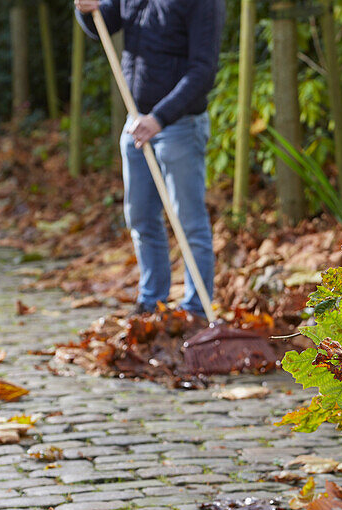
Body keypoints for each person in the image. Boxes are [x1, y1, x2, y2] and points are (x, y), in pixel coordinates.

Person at [74, 0, 225, 320]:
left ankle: (196, 311)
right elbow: (102, 25)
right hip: (136, 123)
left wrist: (159, 118)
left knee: (189, 222)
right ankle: (152, 300)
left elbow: (203, 71)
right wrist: (86, 10)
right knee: (141, 216)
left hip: (179, 125)